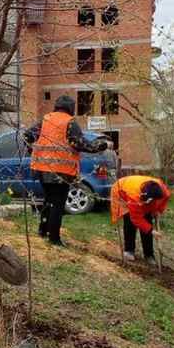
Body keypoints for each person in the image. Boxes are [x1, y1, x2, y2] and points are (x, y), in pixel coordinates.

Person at [24, 95, 109, 246]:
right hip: (60, 172)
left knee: (48, 200)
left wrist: (32, 150)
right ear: (71, 108)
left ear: (56, 106)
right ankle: (54, 238)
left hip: (41, 169)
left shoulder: (45, 120)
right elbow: (79, 144)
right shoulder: (69, 122)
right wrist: (99, 146)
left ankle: (43, 231)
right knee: (57, 203)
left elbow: (27, 136)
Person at [110, 175, 171, 263]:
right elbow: (136, 219)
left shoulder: (162, 190)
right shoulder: (133, 196)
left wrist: (158, 210)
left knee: (147, 219)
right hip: (121, 192)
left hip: (138, 189)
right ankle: (129, 251)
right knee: (130, 221)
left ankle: (149, 254)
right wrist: (151, 231)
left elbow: (164, 199)